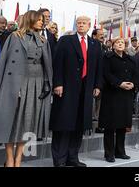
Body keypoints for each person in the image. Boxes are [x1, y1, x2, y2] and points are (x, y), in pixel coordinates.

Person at [0, 10, 53, 167]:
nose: (42, 22)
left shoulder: (43, 40)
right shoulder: (15, 36)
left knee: (28, 122)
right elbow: (3, 59)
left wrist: (46, 84)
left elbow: (47, 65)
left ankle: (18, 159)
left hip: (36, 83)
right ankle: (9, 159)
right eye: (39, 19)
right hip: (15, 82)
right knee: (11, 120)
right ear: (30, 19)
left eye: (43, 20)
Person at [50, 16, 102, 167]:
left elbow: (99, 67)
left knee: (79, 124)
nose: (81, 25)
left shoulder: (95, 44)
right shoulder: (66, 40)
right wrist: (58, 83)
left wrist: (97, 85)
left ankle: (72, 158)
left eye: (84, 23)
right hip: (66, 89)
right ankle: (59, 160)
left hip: (86, 90)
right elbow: (57, 62)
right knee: (64, 124)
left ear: (89, 26)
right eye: (78, 23)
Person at [99, 37, 136, 162]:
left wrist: (133, 84)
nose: (120, 44)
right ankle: (109, 153)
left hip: (126, 95)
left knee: (122, 124)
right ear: (113, 45)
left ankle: (120, 151)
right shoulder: (107, 57)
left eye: (122, 43)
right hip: (112, 94)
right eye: (118, 43)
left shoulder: (130, 59)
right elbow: (106, 73)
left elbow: (135, 74)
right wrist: (119, 83)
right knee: (110, 125)